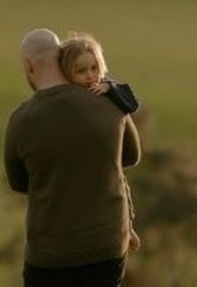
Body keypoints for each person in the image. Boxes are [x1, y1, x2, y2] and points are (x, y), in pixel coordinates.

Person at [3, 28, 141, 287]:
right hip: (105, 241)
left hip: (49, 245)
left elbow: (17, 182)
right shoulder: (111, 105)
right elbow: (130, 156)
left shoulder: (21, 119)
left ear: (30, 67)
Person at [58, 31, 142, 251]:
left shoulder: (107, 88)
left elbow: (132, 103)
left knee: (122, 187)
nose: (90, 76)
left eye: (94, 68)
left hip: (108, 163)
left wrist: (110, 89)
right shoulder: (67, 97)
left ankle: (129, 226)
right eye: (81, 71)